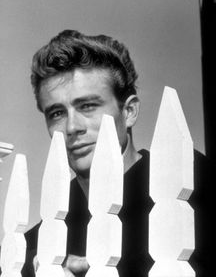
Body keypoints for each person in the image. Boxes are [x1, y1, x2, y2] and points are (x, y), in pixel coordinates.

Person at [22, 30, 152, 277]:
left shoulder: (199, 189)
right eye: (57, 113)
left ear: (129, 112)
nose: (72, 127)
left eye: (88, 106)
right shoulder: (36, 245)